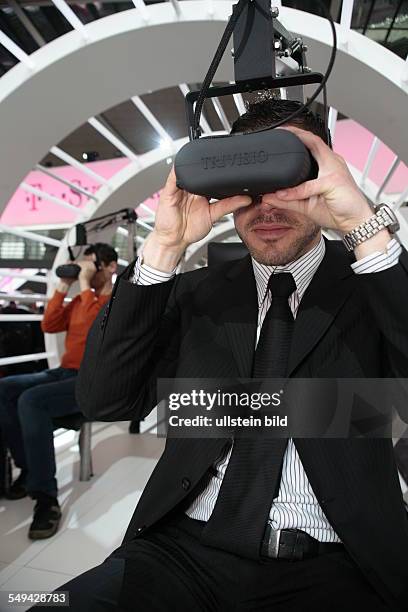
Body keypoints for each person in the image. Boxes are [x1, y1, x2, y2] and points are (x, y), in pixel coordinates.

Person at [38, 99, 408, 611]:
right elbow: (105, 399)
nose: (268, 206)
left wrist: (362, 227)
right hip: (182, 549)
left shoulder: (375, 285)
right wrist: (163, 248)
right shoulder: (196, 295)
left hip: (339, 560)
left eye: (287, 181)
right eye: (247, 187)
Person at [0, 242, 117, 539]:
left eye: (92, 265)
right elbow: (49, 325)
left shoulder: (116, 301)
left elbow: (95, 327)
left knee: (31, 400)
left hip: (94, 380)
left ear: (111, 268)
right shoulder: (80, 300)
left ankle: (45, 498)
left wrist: (84, 283)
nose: (86, 271)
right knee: (7, 388)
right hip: (65, 373)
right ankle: (28, 469)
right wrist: (64, 287)